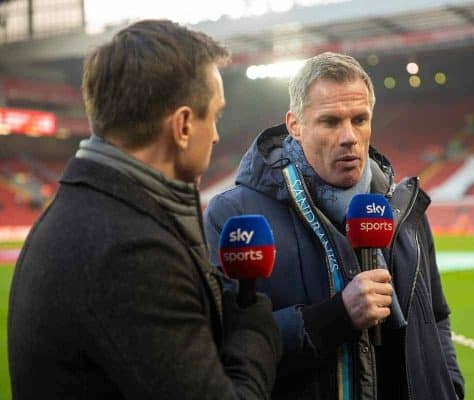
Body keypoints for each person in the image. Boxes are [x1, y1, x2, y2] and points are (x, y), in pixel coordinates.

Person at [8, 19, 281, 400]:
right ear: (183, 125)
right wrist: (254, 333)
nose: (217, 134)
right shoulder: (130, 252)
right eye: (215, 116)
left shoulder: (85, 210)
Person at [204, 52, 464, 400]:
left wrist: (449, 386)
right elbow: (219, 346)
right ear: (295, 125)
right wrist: (335, 317)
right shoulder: (236, 216)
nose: (349, 137)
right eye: (330, 121)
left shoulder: (404, 208)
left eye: (360, 119)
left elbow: (436, 318)